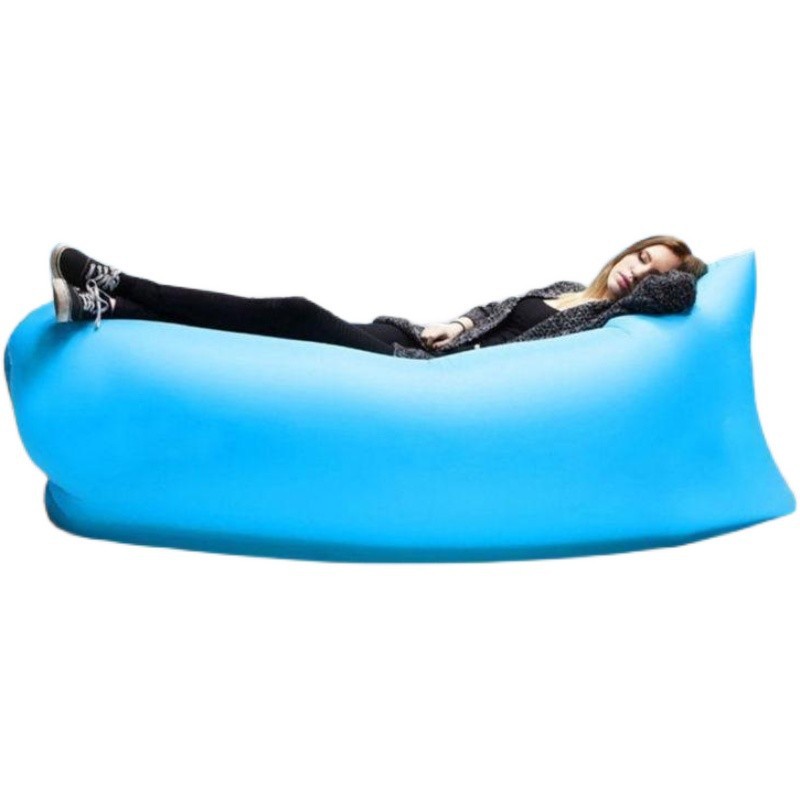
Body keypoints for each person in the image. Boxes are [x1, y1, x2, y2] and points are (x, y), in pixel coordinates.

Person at [49, 235, 708, 359]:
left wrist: (684, 269)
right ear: (625, 251)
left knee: (295, 313)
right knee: (280, 325)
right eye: (641, 255)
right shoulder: (565, 290)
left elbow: (677, 292)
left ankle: (123, 288)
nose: (639, 272)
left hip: (424, 373)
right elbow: (496, 312)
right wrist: (458, 322)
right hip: (414, 336)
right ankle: (115, 307)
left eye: (652, 271)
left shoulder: (605, 320)